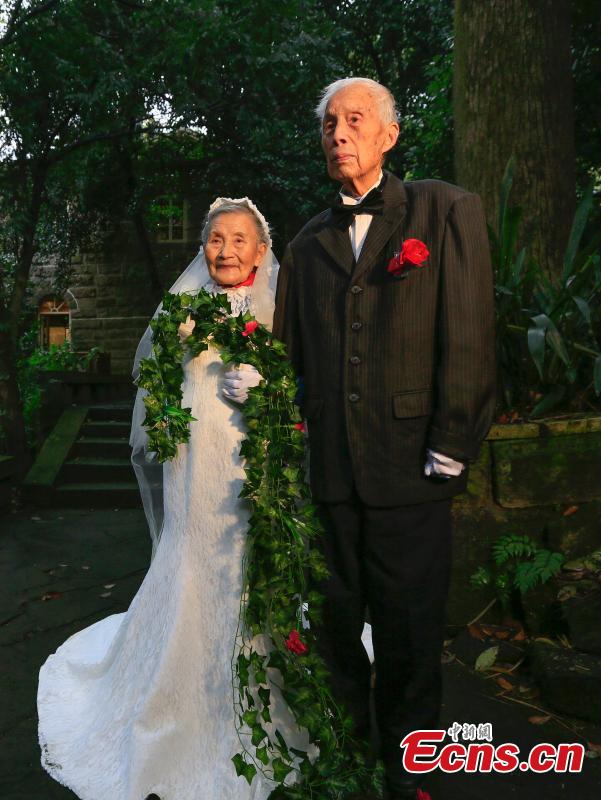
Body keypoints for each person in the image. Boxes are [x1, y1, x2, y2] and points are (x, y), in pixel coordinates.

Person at [37, 197, 315, 800]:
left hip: (252, 461)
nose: (226, 250)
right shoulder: (184, 309)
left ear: (261, 250)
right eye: (216, 239)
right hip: (196, 461)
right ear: (203, 246)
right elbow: (158, 378)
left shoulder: (278, 306)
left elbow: (306, 376)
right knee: (192, 556)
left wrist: (269, 385)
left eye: (240, 240)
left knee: (250, 558)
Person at [272, 77, 497, 800]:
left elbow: (468, 336)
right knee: (337, 631)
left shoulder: (445, 210)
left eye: (355, 120)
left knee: (407, 636)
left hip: (413, 469)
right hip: (332, 475)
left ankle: (412, 778)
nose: (340, 132)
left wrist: (453, 440)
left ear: (389, 135)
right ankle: (351, 767)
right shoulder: (306, 245)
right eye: (330, 122)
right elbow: (294, 360)